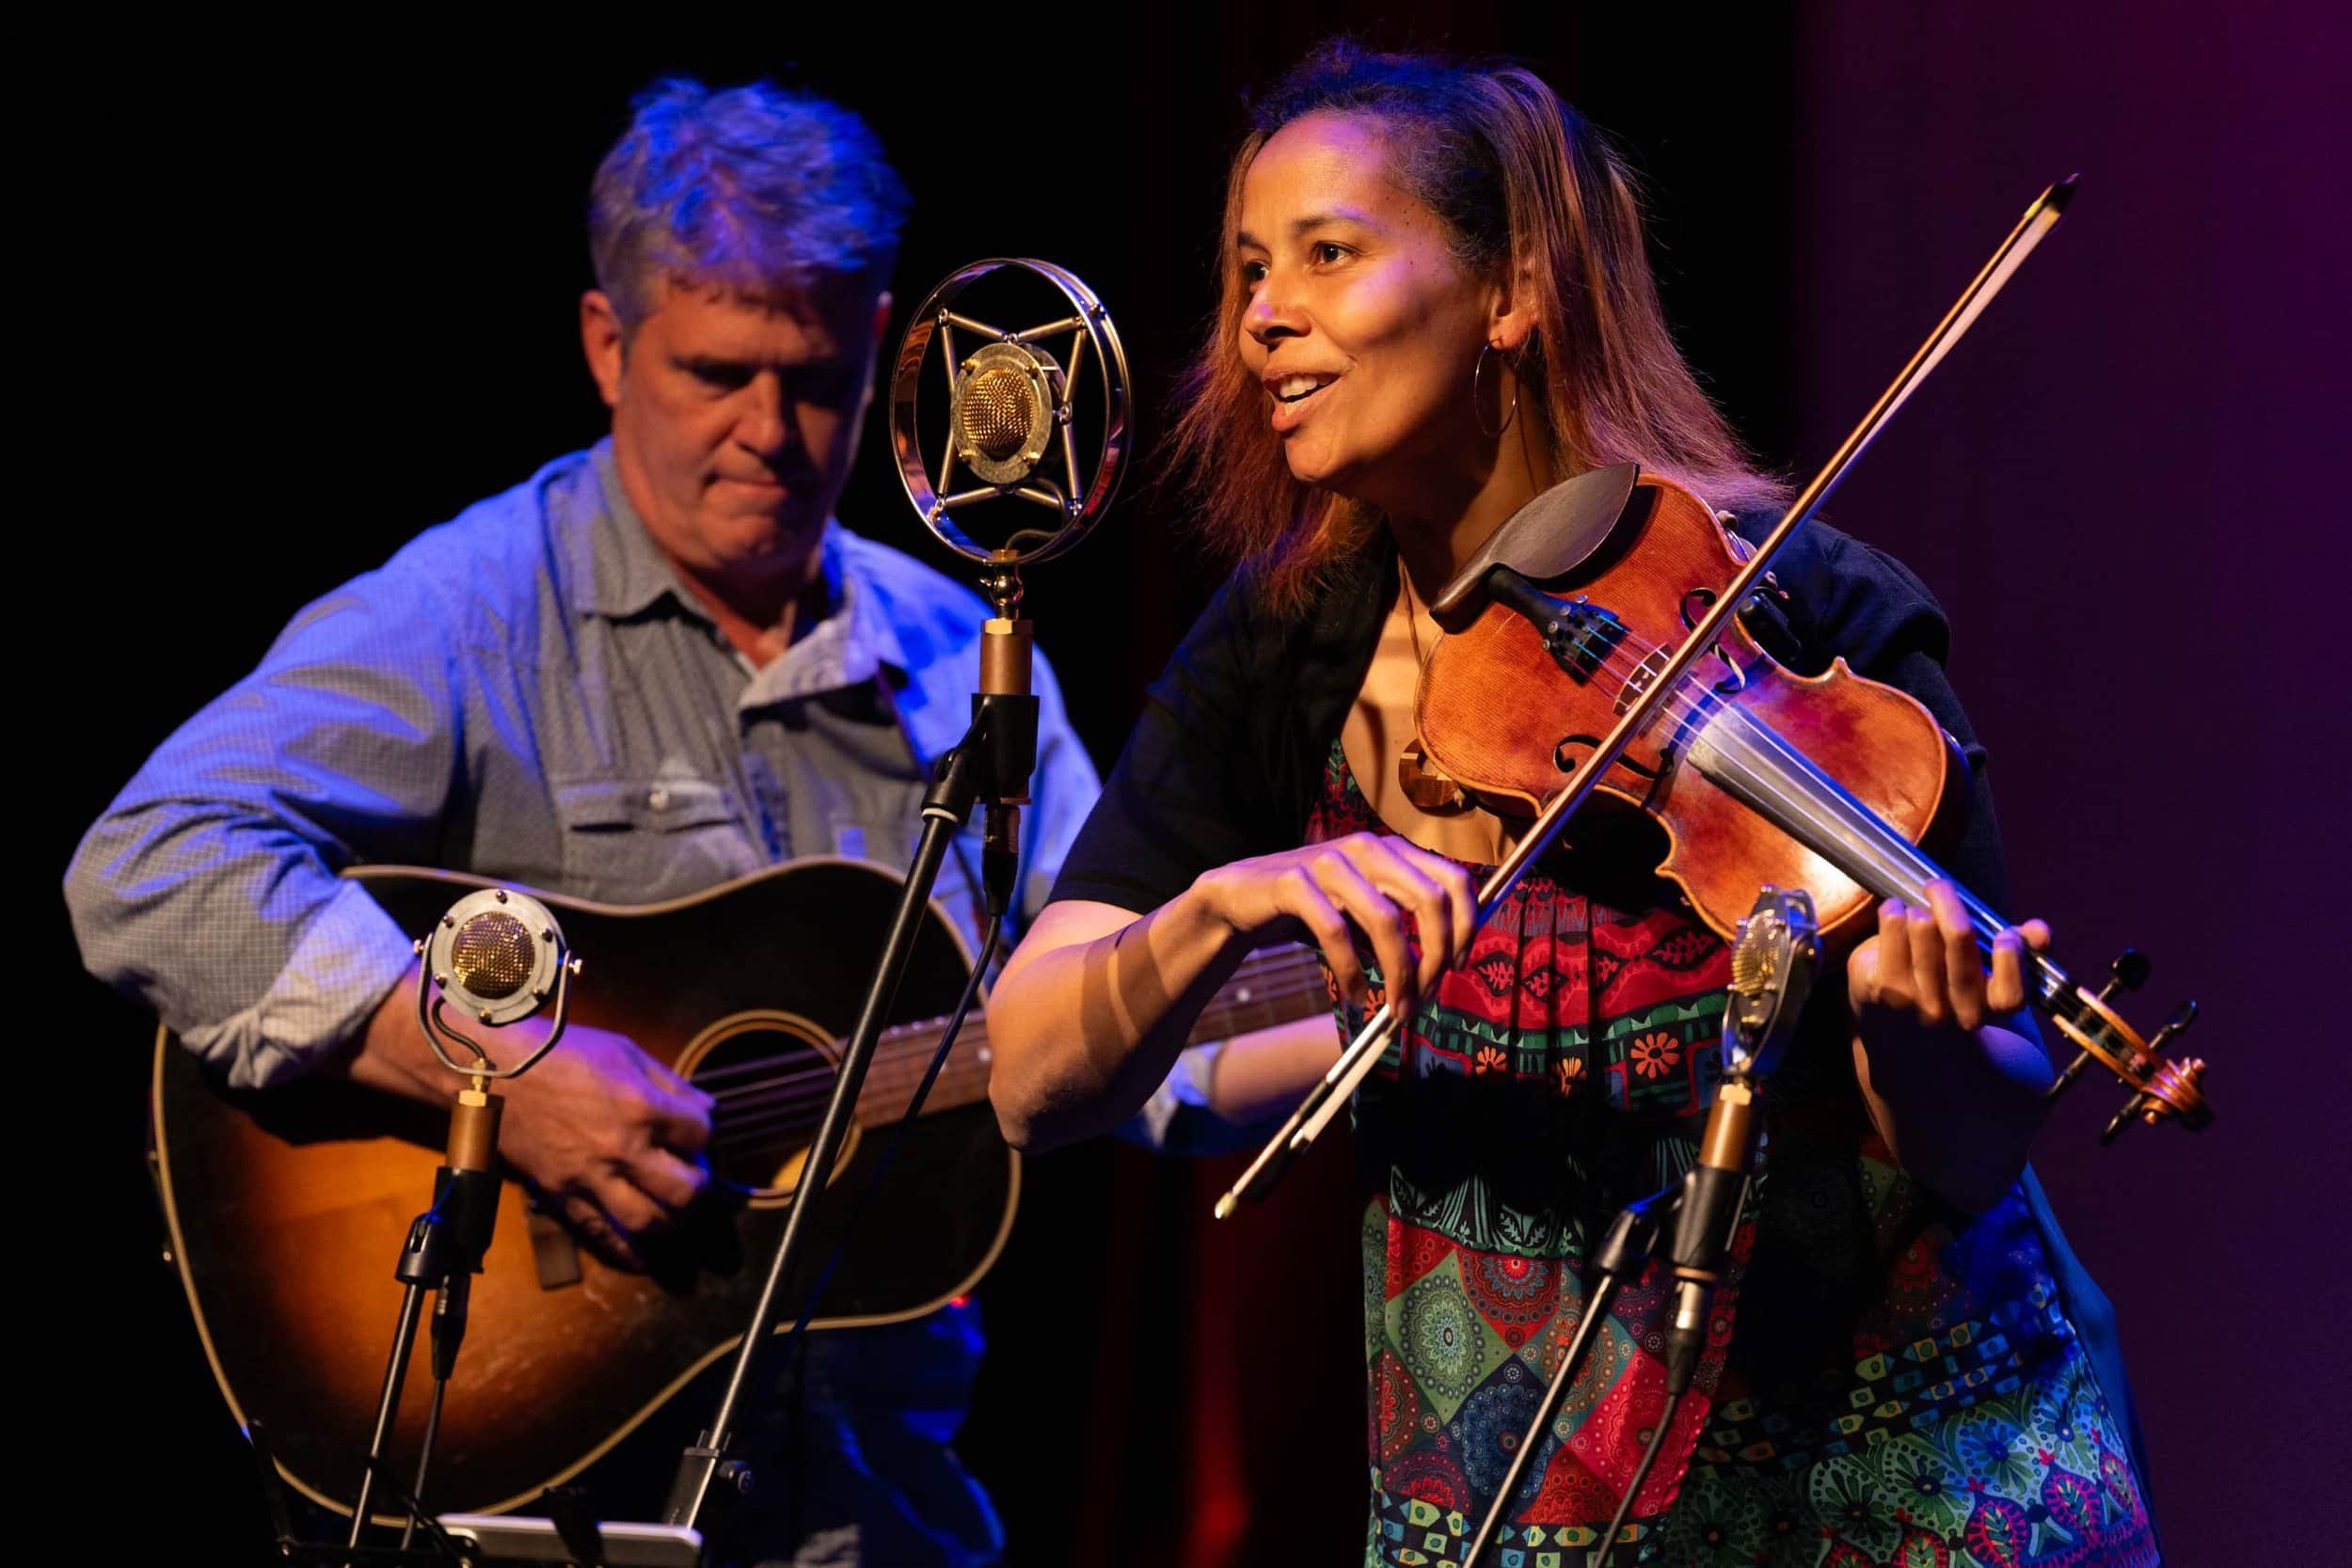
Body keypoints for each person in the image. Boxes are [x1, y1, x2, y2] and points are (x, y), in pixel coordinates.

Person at [65, 77, 1283, 1567]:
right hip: (555, 1507)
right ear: (607, 343)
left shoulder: (955, 655)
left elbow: (1147, 1036)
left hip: (876, 1511)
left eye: (819, 379)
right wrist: (496, 1071)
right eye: (715, 372)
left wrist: (1386, 995)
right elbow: (150, 859)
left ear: (880, 346)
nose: (771, 433)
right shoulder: (470, 614)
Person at [985, 45, 2160, 1567]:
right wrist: (1219, 906)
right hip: (1519, 1486)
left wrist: (1920, 1034)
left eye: (1328, 255)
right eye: (1250, 269)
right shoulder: (1290, 639)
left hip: (1887, 1473)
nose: (1263, 314)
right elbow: (1031, 1077)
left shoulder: (1792, 604)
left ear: (1513, 289)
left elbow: (1973, 1144)